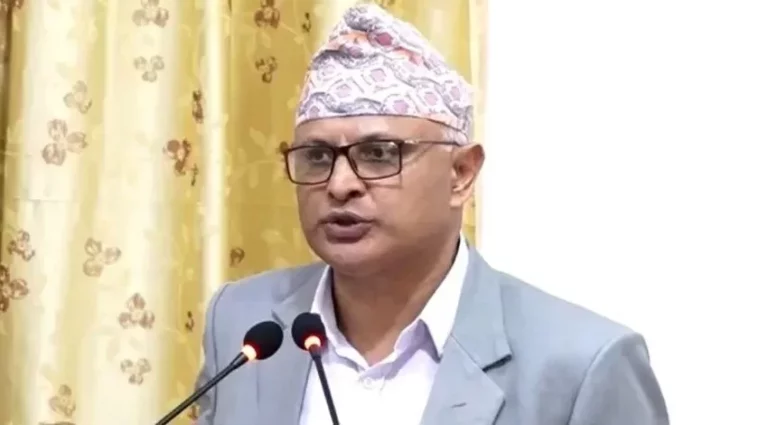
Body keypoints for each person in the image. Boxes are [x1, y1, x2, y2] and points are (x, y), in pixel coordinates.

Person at [194, 4, 668, 425]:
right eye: (316, 157)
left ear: (461, 174)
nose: (339, 185)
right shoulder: (243, 321)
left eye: (379, 154)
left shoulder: (581, 366)